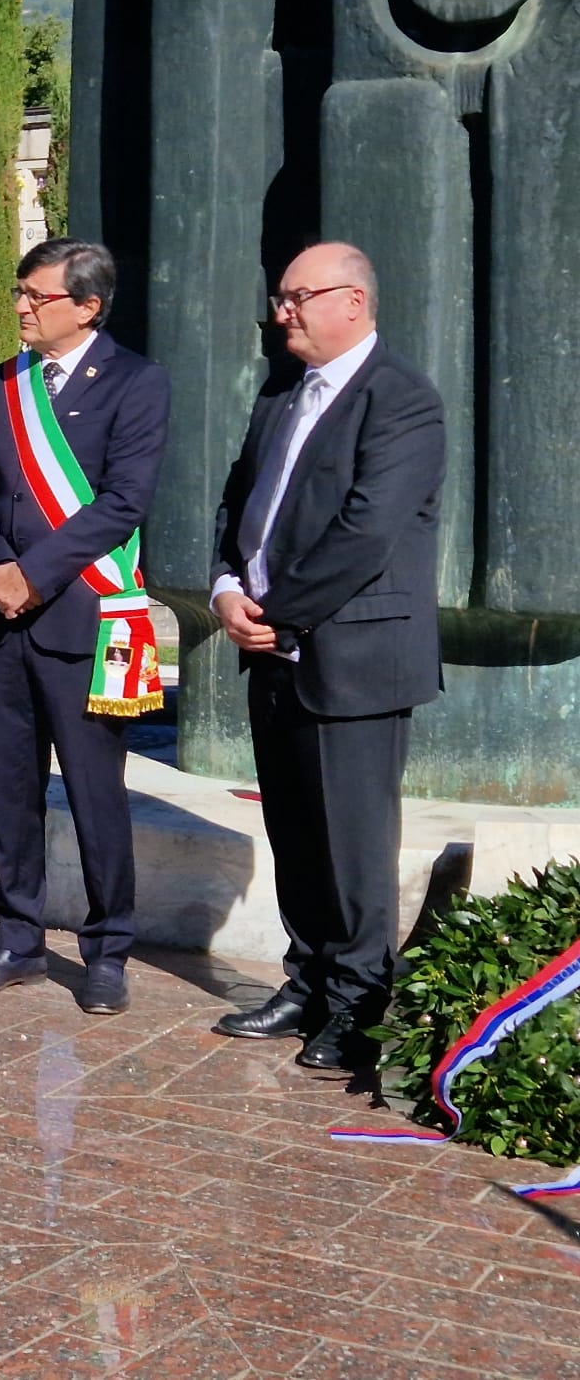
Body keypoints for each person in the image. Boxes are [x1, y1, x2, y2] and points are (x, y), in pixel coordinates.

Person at [209, 242, 444, 1071]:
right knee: (297, 834)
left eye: (297, 297)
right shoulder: (282, 396)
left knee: (352, 844)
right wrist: (227, 589)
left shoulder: (401, 400)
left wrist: (277, 610)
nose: (283, 312)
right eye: (281, 298)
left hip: (354, 657)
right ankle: (306, 981)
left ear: (353, 300)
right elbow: (240, 502)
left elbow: (368, 532)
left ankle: (358, 1004)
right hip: (272, 648)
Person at [0, 238, 170, 1015]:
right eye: (19, 291)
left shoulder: (137, 383)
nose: (20, 306)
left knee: (93, 793)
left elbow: (124, 502)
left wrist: (34, 574)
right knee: (7, 789)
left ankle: (107, 950)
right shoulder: (2, 382)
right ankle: (17, 939)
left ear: (86, 305)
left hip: (82, 617)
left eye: (35, 296)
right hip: (2, 619)